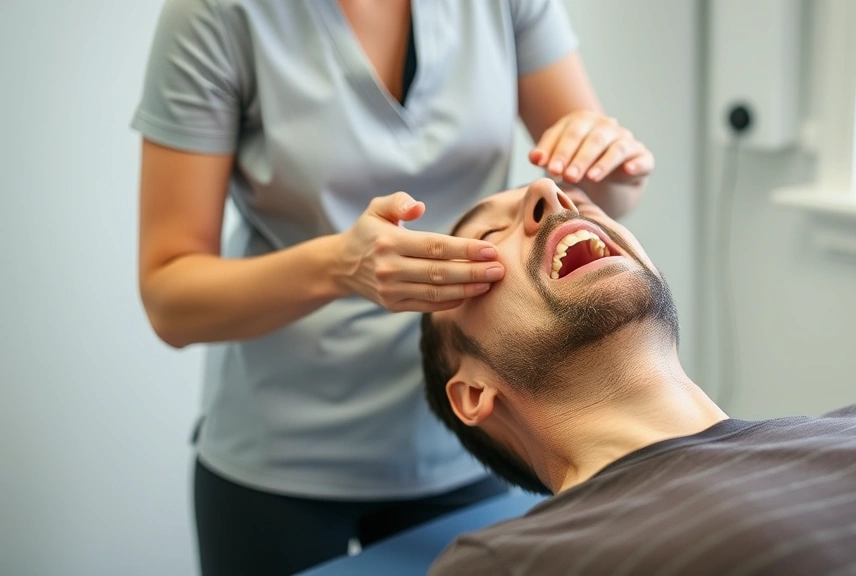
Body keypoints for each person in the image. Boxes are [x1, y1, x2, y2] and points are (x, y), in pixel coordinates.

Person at [131, 0, 655, 573]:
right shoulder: (216, 15)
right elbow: (169, 299)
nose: (542, 203)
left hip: (481, 441)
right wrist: (337, 267)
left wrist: (615, 166)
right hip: (281, 455)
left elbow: (596, 192)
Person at [419, 179, 856, 575]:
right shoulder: (508, 564)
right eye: (486, 237)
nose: (553, 198)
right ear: (473, 392)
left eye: (587, 205)